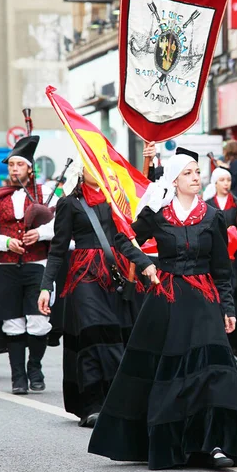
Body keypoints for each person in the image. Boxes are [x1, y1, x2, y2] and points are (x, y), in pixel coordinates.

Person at [88, 148, 237, 470]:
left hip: (204, 300)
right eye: (188, 173)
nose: (195, 178)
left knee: (214, 372)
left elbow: (221, 270)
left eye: (197, 172)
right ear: (174, 180)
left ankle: (214, 444)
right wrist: (145, 263)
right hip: (168, 299)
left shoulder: (213, 217)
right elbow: (124, 239)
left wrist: (227, 308)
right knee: (170, 372)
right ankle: (172, 445)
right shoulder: (157, 214)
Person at [38, 158, 142, 428]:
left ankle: (114, 401)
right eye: (90, 166)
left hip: (116, 273)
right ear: (81, 171)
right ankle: (92, 404)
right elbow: (58, 249)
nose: (95, 171)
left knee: (116, 335)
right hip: (84, 275)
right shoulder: (69, 203)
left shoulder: (116, 200)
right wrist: (45, 286)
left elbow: (132, 232)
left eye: (99, 166)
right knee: (92, 333)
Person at [0, 136, 57, 394]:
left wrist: (40, 234)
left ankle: (35, 367)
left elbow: (59, 226)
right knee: (13, 323)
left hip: (37, 266)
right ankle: (18, 377)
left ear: (30, 167)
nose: (14, 169)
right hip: (5, 269)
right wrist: (7, 242)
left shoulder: (47, 194)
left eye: (19, 164)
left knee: (38, 321)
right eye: (11, 165)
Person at [203, 167, 237, 358]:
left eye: (228, 180)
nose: (226, 183)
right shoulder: (207, 204)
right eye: (222, 180)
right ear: (215, 183)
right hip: (216, 254)